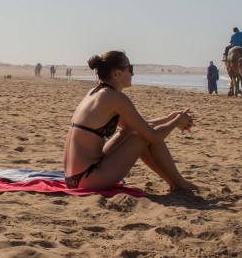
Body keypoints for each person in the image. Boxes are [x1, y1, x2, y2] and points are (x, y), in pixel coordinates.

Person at [63, 50, 197, 192]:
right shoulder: (115, 98)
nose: (132, 74)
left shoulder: (95, 92)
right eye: (130, 69)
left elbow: (134, 126)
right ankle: (180, 183)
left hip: (73, 177)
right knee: (142, 137)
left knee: (137, 132)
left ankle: (175, 183)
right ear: (117, 73)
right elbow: (152, 136)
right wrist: (177, 122)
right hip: (87, 177)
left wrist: (168, 118)